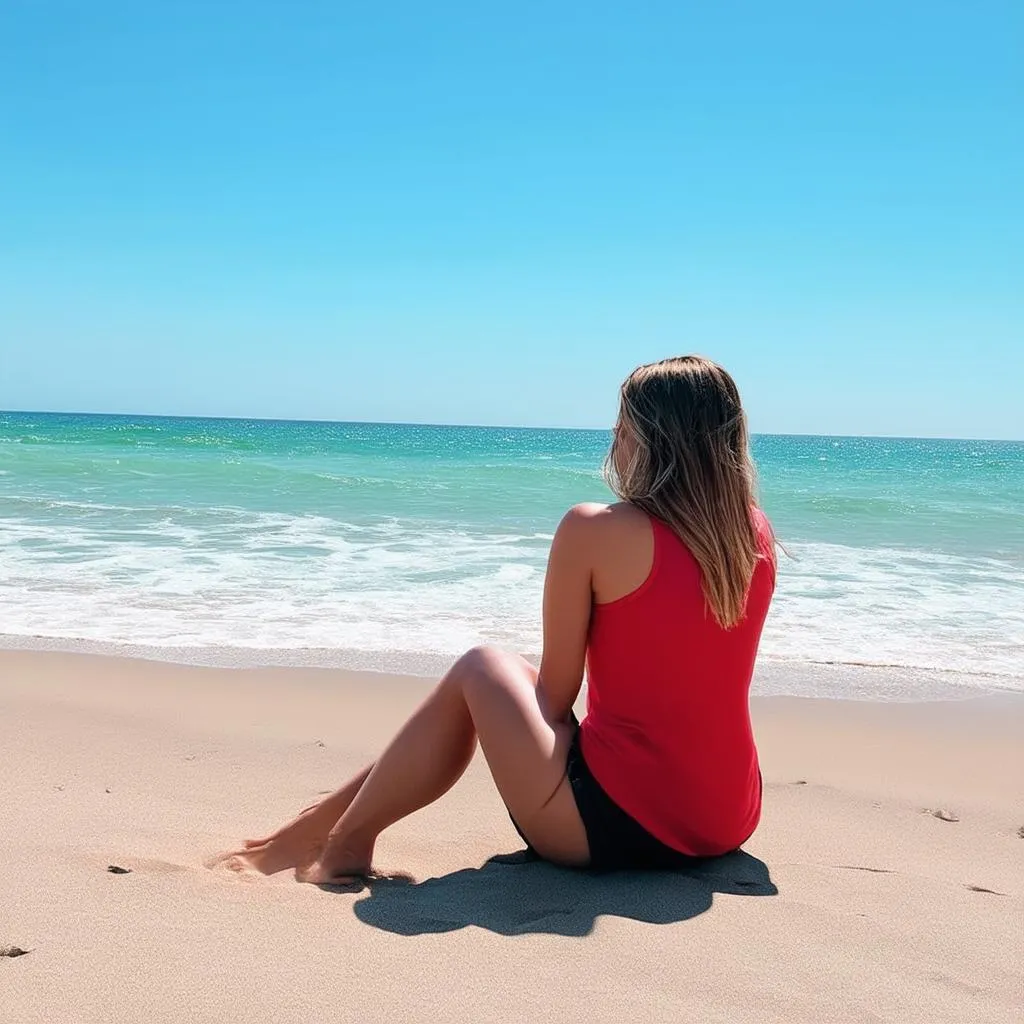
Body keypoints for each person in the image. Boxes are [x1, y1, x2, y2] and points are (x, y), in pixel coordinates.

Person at [224, 355, 777, 883]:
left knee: (481, 670)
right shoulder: (752, 535)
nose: (614, 440)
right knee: (494, 685)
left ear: (655, 440)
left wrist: (495, 715)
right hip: (725, 820)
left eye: (623, 427)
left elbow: (557, 701)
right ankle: (321, 824)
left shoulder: (593, 529)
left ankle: (341, 840)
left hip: (612, 829)